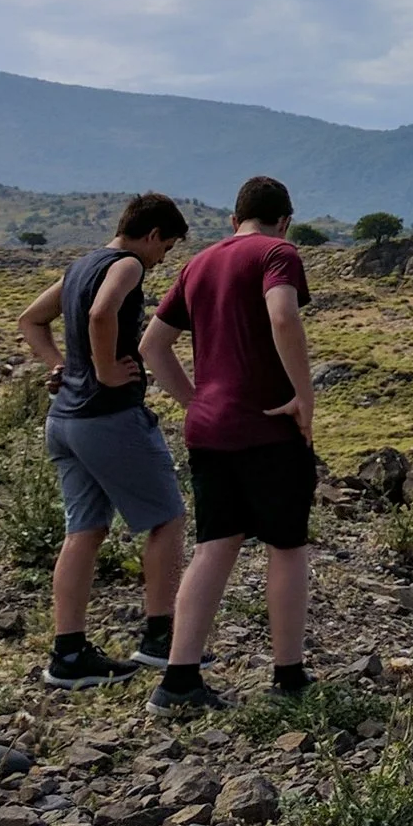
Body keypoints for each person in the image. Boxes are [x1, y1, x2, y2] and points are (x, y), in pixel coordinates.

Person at [139, 175, 318, 714]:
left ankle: (178, 680)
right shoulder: (278, 253)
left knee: (215, 545)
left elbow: (153, 345)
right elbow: (282, 314)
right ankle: (288, 677)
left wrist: (195, 401)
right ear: (285, 220)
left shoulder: (198, 263)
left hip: (210, 430)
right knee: (287, 546)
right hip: (268, 427)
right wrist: (303, 395)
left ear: (233, 220)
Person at [13, 192, 193, 687]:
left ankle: (69, 654)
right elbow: (101, 314)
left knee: (85, 531)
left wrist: (61, 365)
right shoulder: (127, 264)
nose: (162, 260)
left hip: (65, 420)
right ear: (151, 234)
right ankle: (160, 640)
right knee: (168, 519)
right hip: (109, 419)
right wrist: (105, 369)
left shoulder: (79, 266)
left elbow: (30, 319)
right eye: (166, 248)